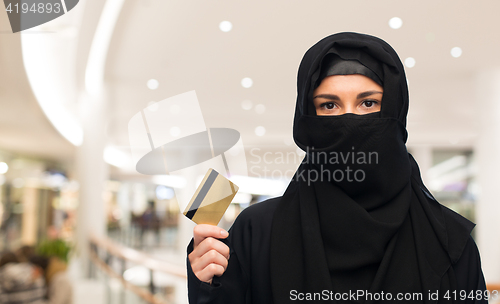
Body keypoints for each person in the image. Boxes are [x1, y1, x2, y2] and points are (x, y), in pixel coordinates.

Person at [186, 32, 488, 303]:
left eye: (368, 103)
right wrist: (207, 284)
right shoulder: (256, 232)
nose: (349, 121)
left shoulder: (448, 242)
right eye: (329, 105)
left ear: (396, 110)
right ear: (307, 120)